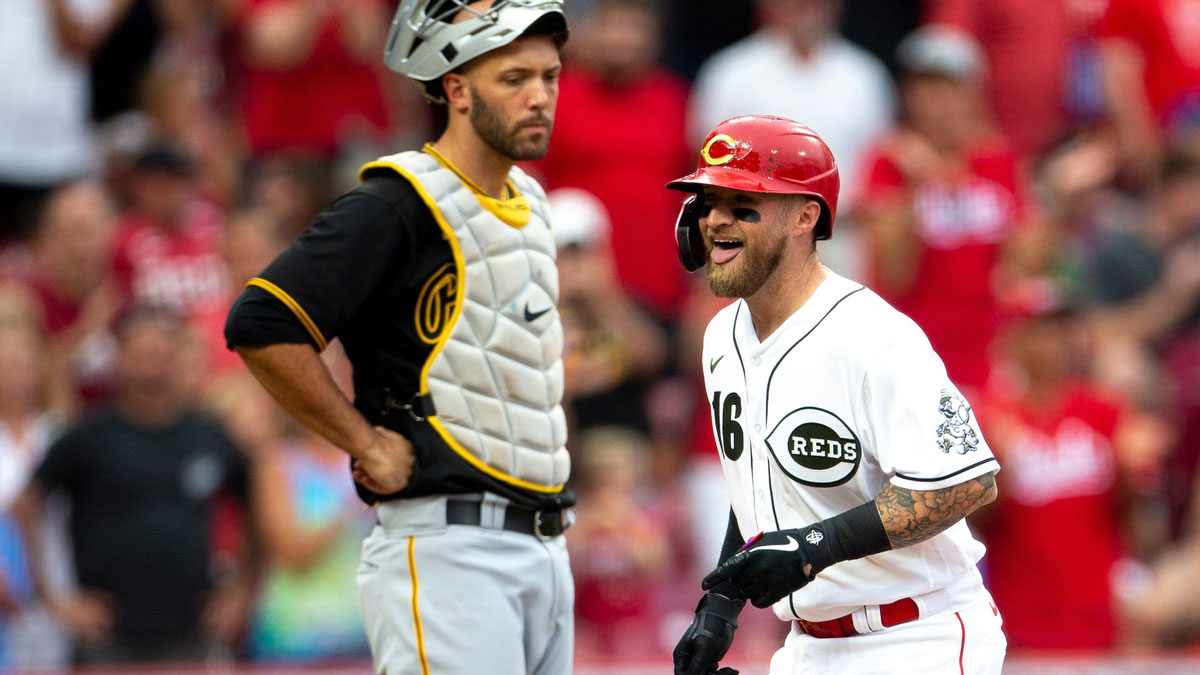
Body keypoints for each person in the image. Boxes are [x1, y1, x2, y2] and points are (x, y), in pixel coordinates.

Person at [224, 1, 574, 673]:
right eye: (514, 78)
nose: (540, 96)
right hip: (448, 548)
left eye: (550, 77)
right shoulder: (397, 200)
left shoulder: (532, 203)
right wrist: (359, 439)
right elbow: (260, 323)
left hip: (545, 543)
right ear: (457, 88)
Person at [666, 115, 1007, 674]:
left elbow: (966, 484)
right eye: (707, 202)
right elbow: (755, 474)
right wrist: (721, 607)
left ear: (806, 216)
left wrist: (813, 547)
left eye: (742, 202)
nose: (716, 220)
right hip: (808, 646)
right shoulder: (721, 337)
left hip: (920, 638)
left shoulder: (874, 337)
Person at [11, 306, 255, 665]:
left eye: (161, 354)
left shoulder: (210, 436)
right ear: (119, 357)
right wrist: (52, 597)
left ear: (179, 358)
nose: (151, 366)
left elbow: (256, 502)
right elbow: (26, 504)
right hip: (107, 636)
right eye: (140, 354)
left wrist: (241, 589)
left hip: (194, 632)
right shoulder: (86, 437)